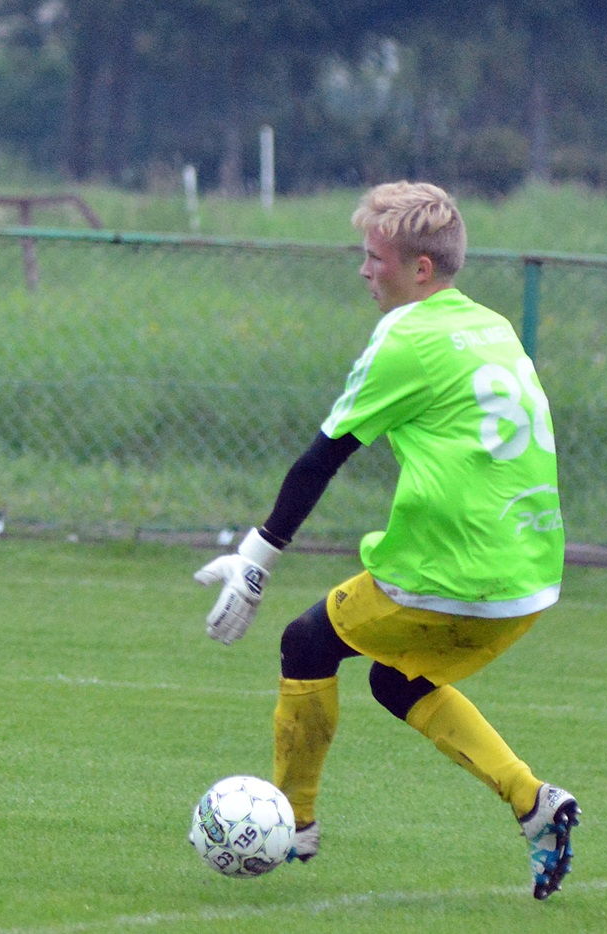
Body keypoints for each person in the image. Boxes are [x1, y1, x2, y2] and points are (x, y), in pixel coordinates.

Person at [192, 181, 577, 899]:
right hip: (529, 579)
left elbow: (323, 456)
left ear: (420, 270)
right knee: (395, 677)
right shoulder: (491, 326)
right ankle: (535, 804)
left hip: (449, 570)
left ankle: (293, 828)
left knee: (306, 644)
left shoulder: (408, 336)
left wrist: (255, 559)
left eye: (375, 258)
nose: (366, 270)